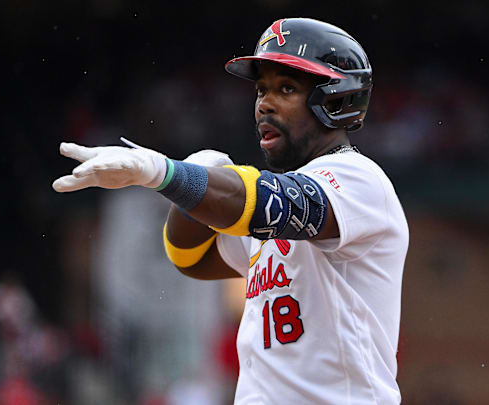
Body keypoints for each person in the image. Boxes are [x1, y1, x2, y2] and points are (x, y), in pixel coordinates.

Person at [53, 17, 408, 405]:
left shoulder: (360, 180)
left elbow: (267, 204)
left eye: (286, 88)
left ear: (336, 99)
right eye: (261, 90)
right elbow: (190, 258)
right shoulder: (271, 202)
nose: (264, 104)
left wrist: (162, 173)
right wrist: (195, 186)